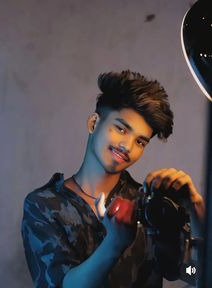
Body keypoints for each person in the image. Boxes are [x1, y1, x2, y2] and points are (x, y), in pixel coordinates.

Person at [21, 70, 205, 288]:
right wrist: (115, 243)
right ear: (93, 123)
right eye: (120, 128)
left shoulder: (149, 206)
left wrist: (196, 208)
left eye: (140, 142)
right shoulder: (44, 205)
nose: (127, 146)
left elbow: (191, 273)